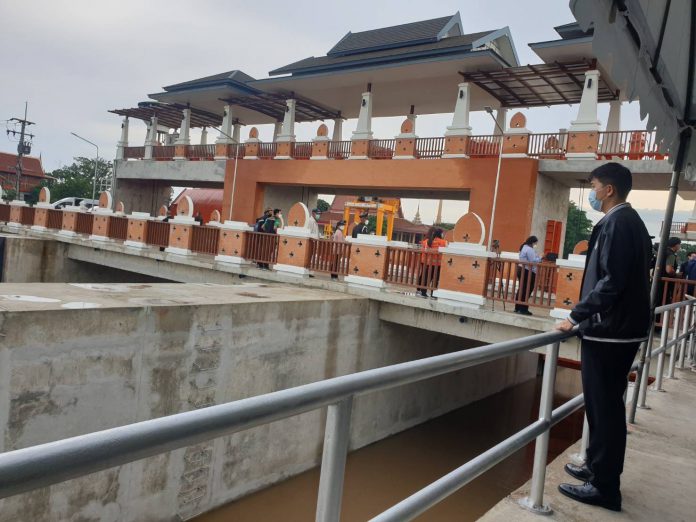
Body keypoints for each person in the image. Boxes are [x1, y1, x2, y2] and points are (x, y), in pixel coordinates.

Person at [556, 162, 651, 512]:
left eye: (594, 186)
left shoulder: (619, 223)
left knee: (605, 409)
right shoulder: (627, 221)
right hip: (615, 329)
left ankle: (605, 487)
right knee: (602, 406)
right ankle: (596, 468)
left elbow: (611, 281)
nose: (592, 193)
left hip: (611, 331)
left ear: (608, 190)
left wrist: (575, 316)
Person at [515, 235, 541, 315]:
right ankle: (523, 309)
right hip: (527, 271)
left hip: (522, 269)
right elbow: (532, 260)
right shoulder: (529, 249)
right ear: (532, 242)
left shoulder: (524, 247)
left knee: (522, 289)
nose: (536, 245)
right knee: (527, 289)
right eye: (535, 243)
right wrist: (541, 258)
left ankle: (518, 307)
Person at [418, 228, 447, 297]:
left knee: (426, 278)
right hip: (438, 264)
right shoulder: (443, 242)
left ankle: (423, 292)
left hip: (428, 263)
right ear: (440, 234)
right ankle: (433, 294)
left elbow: (423, 250)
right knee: (435, 279)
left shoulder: (427, 241)